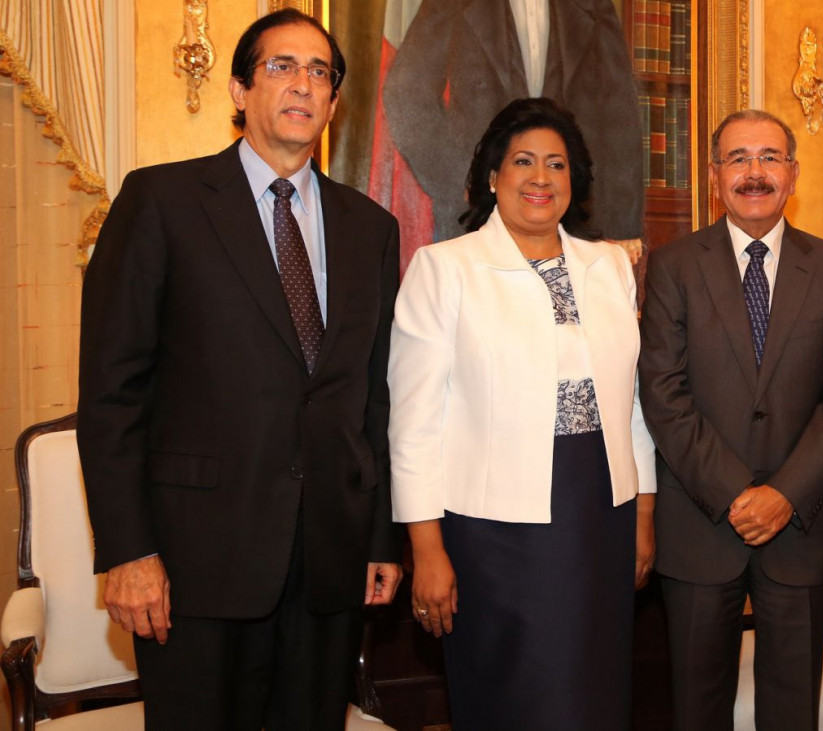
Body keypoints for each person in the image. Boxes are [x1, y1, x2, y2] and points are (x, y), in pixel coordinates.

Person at [77, 10, 403, 730]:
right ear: (239, 89)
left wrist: (381, 536)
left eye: (321, 72)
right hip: (197, 561)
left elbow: (373, 399)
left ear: (335, 104)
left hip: (328, 563)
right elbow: (111, 393)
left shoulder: (370, 229)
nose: (304, 84)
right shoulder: (161, 201)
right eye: (281, 66)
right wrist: (129, 549)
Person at [387, 97, 657, 731]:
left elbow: (634, 403)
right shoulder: (444, 269)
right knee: (517, 695)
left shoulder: (609, 266)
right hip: (492, 530)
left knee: (595, 691)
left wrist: (644, 515)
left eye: (557, 165)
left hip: (601, 511)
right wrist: (426, 548)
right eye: (524, 162)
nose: (541, 178)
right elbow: (414, 422)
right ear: (493, 177)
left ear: (574, 181)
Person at [638, 109, 823, 731]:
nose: (754, 173)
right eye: (738, 159)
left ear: (793, 174)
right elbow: (663, 392)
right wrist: (737, 493)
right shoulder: (673, 266)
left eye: (769, 157)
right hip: (699, 526)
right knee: (696, 709)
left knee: (792, 710)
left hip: (800, 530)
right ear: (715, 176)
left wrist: (783, 496)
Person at [380, 0, 643, 247]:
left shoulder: (593, 4)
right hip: (475, 223)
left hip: (572, 226)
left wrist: (622, 225)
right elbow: (406, 90)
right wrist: (461, 178)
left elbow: (619, 111)